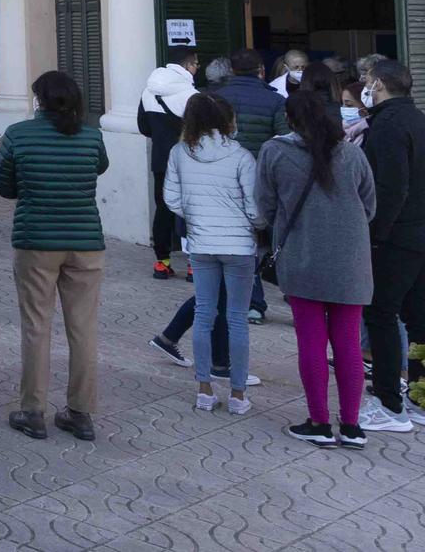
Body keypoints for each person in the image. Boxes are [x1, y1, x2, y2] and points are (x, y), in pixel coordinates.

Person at [0, 69, 108, 441]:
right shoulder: (92, 136)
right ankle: (81, 411)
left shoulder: (18, 134)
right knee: (84, 329)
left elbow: (4, 186)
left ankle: (32, 410)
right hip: (85, 241)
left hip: (36, 240)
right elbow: (100, 167)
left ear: (39, 100)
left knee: (36, 326)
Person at [259, 91, 378, 445]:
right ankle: (352, 426)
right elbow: (369, 207)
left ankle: (319, 422)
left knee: (311, 342)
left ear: (289, 119)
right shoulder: (352, 154)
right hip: (351, 263)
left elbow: (265, 206)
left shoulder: (274, 152)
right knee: (348, 343)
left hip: (302, 258)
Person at [163, 90, 260, 416]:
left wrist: (197, 216)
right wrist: (253, 224)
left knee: (204, 315)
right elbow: (255, 208)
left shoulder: (179, 153)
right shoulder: (242, 156)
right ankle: (238, 394)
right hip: (239, 246)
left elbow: (171, 199)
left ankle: (204, 390)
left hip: (202, 243)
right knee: (237, 319)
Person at [359, 57, 425, 432]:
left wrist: (375, 235)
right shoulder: (417, 119)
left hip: (396, 237)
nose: (364, 86)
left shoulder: (387, 126)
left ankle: (388, 402)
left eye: (367, 80)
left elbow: (391, 188)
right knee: (419, 318)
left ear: (380, 84)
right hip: (418, 233)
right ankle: (419, 398)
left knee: (381, 314)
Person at [140, 48, 200, 278]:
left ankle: (162, 262)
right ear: (188, 66)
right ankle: (193, 264)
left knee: (163, 208)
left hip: (161, 160)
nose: (197, 69)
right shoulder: (191, 95)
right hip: (188, 160)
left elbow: (143, 126)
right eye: (196, 64)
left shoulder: (148, 91)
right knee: (191, 210)